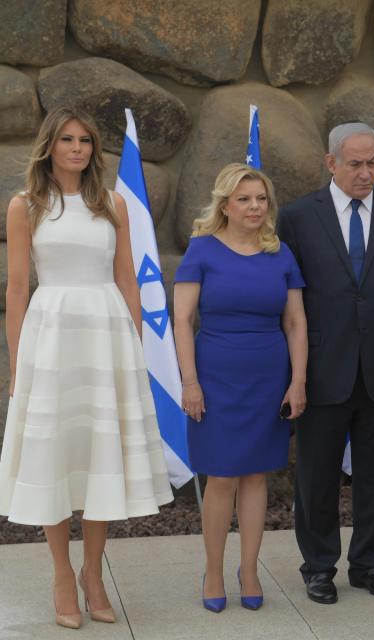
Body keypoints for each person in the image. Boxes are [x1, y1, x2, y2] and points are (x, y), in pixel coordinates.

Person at [0, 107, 173, 629]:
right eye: (67, 140)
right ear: (50, 145)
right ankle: (60, 575)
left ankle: (92, 574)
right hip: (50, 337)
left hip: (106, 334)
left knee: (101, 455)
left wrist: (134, 351)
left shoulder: (112, 202)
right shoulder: (25, 205)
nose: (77, 148)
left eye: (85, 141)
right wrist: (17, 367)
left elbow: (126, 279)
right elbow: (16, 290)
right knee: (55, 454)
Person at [276, 122, 374, 605]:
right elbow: (289, 301)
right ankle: (319, 566)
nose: (367, 173)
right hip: (321, 366)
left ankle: (368, 564)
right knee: (316, 475)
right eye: (356, 164)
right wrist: (290, 373)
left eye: (373, 163)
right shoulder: (299, 217)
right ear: (331, 163)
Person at [173, 163, 307, 613]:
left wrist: (298, 381)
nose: (254, 207)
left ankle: (249, 570)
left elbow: (295, 322)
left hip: (268, 378)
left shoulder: (280, 253)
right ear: (225, 205)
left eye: (261, 199)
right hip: (214, 378)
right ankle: (213, 569)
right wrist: (189, 381)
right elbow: (182, 321)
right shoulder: (202, 250)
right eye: (244, 199)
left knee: (255, 474)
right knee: (223, 476)